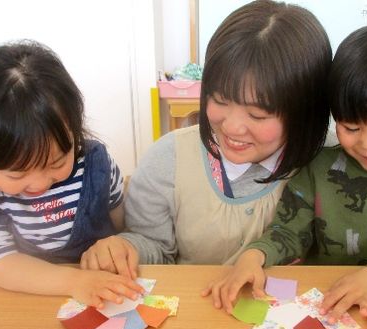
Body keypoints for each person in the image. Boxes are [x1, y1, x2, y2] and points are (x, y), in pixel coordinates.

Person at [204, 24, 367, 324]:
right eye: (351, 127)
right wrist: (253, 257)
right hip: (324, 300)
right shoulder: (320, 165)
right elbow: (290, 231)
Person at [80, 0, 332, 275]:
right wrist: (124, 249)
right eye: (220, 99)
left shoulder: (335, 161)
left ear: (305, 111)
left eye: (257, 115)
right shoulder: (169, 158)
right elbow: (154, 246)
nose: (233, 127)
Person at [0, 41, 143, 308]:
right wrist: (75, 282)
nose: (40, 182)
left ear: (74, 130)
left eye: (57, 162)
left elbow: (122, 222)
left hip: (103, 294)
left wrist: (120, 243)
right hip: (26, 300)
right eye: (17, 174)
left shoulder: (94, 162)